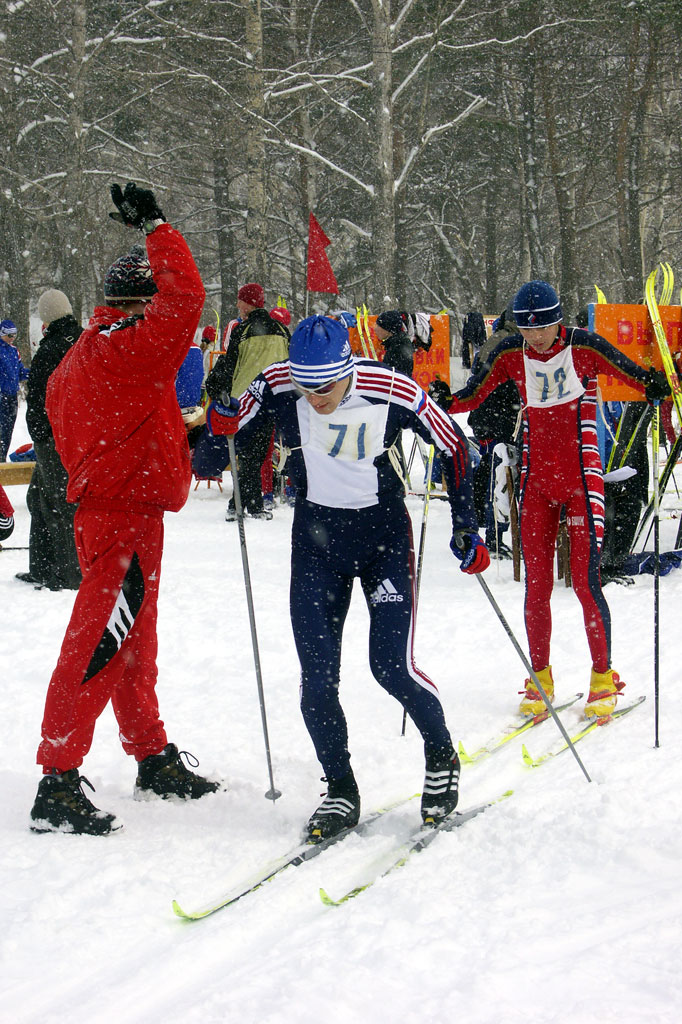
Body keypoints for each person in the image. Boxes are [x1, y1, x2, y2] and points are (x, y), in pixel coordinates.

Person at [194, 314, 489, 839]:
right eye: (306, 388)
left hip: (383, 541)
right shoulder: (279, 383)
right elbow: (227, 432)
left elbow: (454, 446)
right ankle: (340, 788)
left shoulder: (390, 386)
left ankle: (441, 753)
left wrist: (467, 524)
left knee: (390, 668)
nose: (316, 398)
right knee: (316, 682)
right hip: (316, 545)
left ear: (347, 369)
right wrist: (220, 420)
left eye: (327, 387)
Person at [29, 182, 220, 836]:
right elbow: (187, 299)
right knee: (96, 647)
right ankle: (57, 778)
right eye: (153, 305)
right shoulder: (133, 348)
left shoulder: (78, 360)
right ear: (139, 305)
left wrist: (164, 442)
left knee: (132, 645)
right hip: (122, 518)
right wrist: (159, 228)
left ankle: (152, 755)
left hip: (105, 511)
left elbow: (90, 427)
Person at [447, 281, 669, 720]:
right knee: (537, 587)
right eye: (527, 329)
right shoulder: (511, 355)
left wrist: (653, 384)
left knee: (586, 584)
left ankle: (603, 678)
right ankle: (540, 678)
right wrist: (442, 399)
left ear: (558, 320)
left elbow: (630, 373)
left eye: (543, 327)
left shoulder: (583, 346)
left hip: (581, 482)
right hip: (536, 486)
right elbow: (473, 394)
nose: (535, 337)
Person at [17, 289, 83, 591]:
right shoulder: (85, 340)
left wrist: (41, 434)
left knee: (58, 505)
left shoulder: (49, 349)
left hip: (54, 439)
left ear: (46, 317)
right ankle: (42, 567)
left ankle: (68, 574)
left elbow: (39, 399)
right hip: (78, 434)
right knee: (40, 499)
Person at [205, 283, 289, 521]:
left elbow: (230, 364)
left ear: (249, 303)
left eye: (240, 300)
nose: (237, 305)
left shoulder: (243, 331)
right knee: (257, 455)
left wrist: (215, 385)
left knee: (247, 456)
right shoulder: (281, 331)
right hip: (272, 401)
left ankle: (240, 503)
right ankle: (248, 503)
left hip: (246, 400)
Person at [0, 319, 30, 461]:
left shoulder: (13, 351)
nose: (12, 339)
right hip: (1, 396)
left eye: (14, 336)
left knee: (7, 432)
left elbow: (19, 372)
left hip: (12, 396)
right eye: (9, 335)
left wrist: (35, 372)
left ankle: (2, 458)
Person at [374, 310, 414, 378]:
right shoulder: (396, 343)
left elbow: (392, 377)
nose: (375, 329)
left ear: (388, 329)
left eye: (378, 326)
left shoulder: (398, 347)